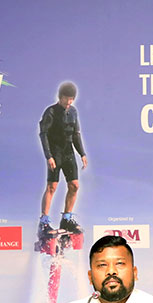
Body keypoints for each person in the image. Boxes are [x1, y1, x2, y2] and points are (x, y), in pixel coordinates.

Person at [38, 81, 88, 237]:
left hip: (68, 153)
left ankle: (66, 218)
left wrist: (82, 154)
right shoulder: (51, 112)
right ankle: (44, 222)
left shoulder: (73, 112)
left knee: (74, 186)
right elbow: (43, 134)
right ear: (60, 97)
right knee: (52, 187)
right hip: (55, 153)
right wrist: (49, 156)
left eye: (72, 99)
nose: (69, 102)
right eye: (66, 98)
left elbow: (76, 135)